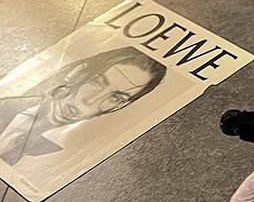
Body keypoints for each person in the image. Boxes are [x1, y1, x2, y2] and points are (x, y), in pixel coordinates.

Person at [0, 47, 167, 165]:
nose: (90, 101)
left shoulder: (55, 155)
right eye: (96, 82)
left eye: (116, 98)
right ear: (78, 72)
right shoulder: (5, 104)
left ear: (120, 106)